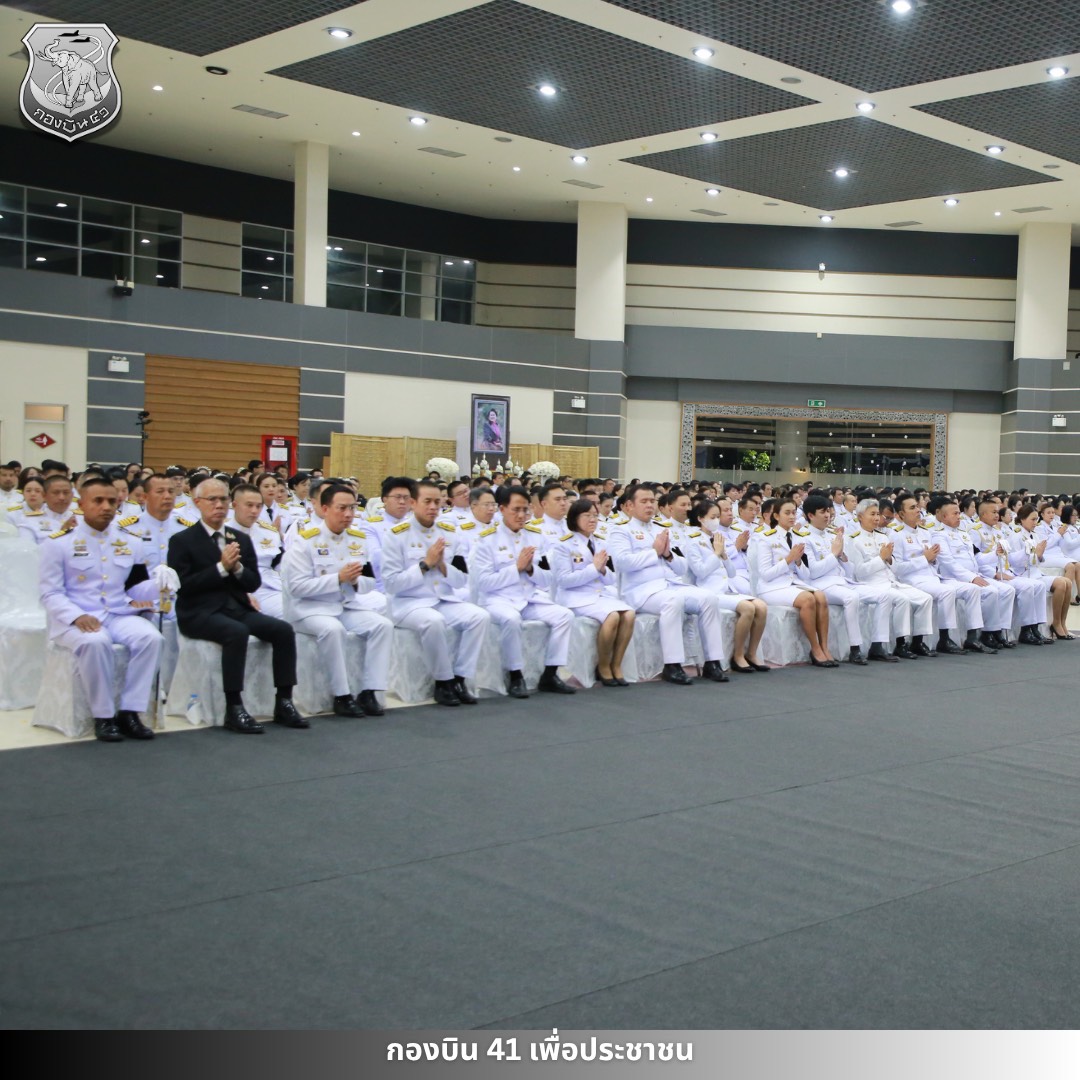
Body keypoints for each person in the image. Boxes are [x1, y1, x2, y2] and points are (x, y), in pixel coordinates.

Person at [168, 477, 307, 733]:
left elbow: (253, 583)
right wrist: (221, 568)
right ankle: (234, 706)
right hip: (198, 611)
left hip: (235, 607)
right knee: (236, 632)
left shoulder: (239, 538)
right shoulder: (183, 540)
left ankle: (284, 701)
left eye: (223, 499)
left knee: (283, 630)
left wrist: (238, 568)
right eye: (212, 499)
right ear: (197, 502)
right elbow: (184, 586)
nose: (218, 505)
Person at [39, 477, 170, 742]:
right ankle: (103, 716)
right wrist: (76, 616)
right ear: (81, 504)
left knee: (151, 638)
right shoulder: (58, 543)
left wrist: (160, 585)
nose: (107, 507)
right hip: (75, 617)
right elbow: (50, 593)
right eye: (98, 501)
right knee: (96, 642)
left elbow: (134, 588)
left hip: (117, 612)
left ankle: (130, 712)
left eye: (112, 501)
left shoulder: (130, 541)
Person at [280, 482, 391, 718]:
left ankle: (370, 691)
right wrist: (338, 578)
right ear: (324, 509)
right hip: (310, 609)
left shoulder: (357, 539)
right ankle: (342, 695)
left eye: (352, 508)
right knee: (333, 629)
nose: (348, 514)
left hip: (345, 605)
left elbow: (369, 582)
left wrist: (354, 581)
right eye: (342, 508)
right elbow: (297, 587)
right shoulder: (305, 541)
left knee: (382, 625)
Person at [380, 480, 490, 706]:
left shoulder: (450, 534)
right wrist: (425, 565)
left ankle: (460, 678)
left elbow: (461, 579)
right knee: (434, 621)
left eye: (437, 502)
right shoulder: (396, 535)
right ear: (413, 503)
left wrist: (442, 566)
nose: (433, 507)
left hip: (444, 599)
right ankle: (443, 681)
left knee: (480, 616)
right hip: (410, 604)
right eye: (427, 501)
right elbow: (391, 584)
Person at [607, 483, 730, 684]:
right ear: (629, 505)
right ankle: (672, 665)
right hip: (641, 591)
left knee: (709, 599)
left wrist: (667, 555)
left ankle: (712, 662)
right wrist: (654, 552)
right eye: (644, 501)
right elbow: (622, 563)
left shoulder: (662, 529)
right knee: (672, 601)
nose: (649, 505)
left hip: (669, 585)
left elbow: (681, 568)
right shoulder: (621, 531)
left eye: (652, 501)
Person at [471, 484, 576, 698]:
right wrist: (516, 568)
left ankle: (551, 673)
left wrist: (529, 569)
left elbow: (548, 578)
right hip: (498, 600)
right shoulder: (486, 540)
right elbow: (484, 583)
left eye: (525, 510)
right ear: (502, 509)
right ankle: (516, 675)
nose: (521, 515)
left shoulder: (536, 536)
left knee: (565, 616)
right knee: (511, 619)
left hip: (529, 598)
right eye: (516, 510)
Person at [551, 499, 635, 686]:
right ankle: (603, 666)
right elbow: (564, 580)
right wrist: (594, 569)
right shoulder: (563, 545)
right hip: (576, 597)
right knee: (612, 616)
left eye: (595, 515)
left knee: (629, 614)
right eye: (587, 515)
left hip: (598, 595)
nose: (592, 519)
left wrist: (602, 570)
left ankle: (616, 664)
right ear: (574, 518)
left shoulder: (600, 542)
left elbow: (611, 578)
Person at [891, 493, 986, 654]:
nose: (918, 510)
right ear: (901, 514)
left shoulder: (925, 532)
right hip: (913, 579)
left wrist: (932, 559)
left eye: (917, 506)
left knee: (972, 589)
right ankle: (942, 638)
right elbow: (897, 569)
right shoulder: (896, 535)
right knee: (947, 592)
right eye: (912, 508)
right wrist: (924, 559)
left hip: (934, 577)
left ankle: (972, 637)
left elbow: (935, 561)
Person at [686, 498, 769, 671]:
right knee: (748, 608)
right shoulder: (693, 541)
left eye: (718, 516)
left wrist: (724, 556)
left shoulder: (718, 538)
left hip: (727, 588)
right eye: (712, 517)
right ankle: (738, 655)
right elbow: (700, 572)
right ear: (700, 518)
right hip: (710, 591)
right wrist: (716, 554)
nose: (716, 520)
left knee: (761, 607)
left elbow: (731, 573)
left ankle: (752, 653)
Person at [846, 499, 935, 659]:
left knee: (925, 598)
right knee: (902, 600)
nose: (876, 518)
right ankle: (898, 644)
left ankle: (918, 641)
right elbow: (859, 572)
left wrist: (889, 559)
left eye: (878, 514)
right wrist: (881, 558)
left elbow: (895, 567)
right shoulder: (854, 540)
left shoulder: (883, 537)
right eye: (872, 514)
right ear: (860, 517)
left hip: (891, 582)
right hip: (871, 584)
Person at [754, 497, 836, 667]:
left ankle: (824, 647)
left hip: (793, 583)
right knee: (808, 599)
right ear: (776, 516)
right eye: (787, 513)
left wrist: (798, 562)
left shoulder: (798, 537)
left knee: (821, 596)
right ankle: (815, 648)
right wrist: (788, 559)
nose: (792, 517)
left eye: (793, 512)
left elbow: (805, 576)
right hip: (772, 587)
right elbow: (766, 574)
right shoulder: (766, 538)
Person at [935, 497, 1015, 651]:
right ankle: (975, 636)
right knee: (988, 591)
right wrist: (971, 578)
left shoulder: (963, 534)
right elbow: (948, 563)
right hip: (952, 578)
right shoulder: (939, 535)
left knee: (1006, 590)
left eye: (959, 513)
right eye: (955, 514)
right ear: (944, 517)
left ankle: (996, 632)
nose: (959, 516)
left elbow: (977, 559)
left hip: (973, 575)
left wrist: (995, 554)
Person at [227, 483, 286, 619]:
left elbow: (280, 564)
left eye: (259, 506)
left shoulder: (269, 532)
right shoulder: (221, 532)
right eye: (249, 505)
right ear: (234, 505)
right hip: (236, 588)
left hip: (269, 588)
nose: (254, 511)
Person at [1012, 504, 1070, 641]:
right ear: (1022, 519)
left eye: (1036, 519)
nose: (1035, 523)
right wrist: (1036, 555)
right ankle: (1049, 625)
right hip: (1023, 574)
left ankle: (1061, 622)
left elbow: (1039, 560)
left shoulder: (1034, 535)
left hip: (1035, 572)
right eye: (1032, 519)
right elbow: (1015, 562)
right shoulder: (1016, 536)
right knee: (1061, 584)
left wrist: (1039, 555)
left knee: (1067, 582)